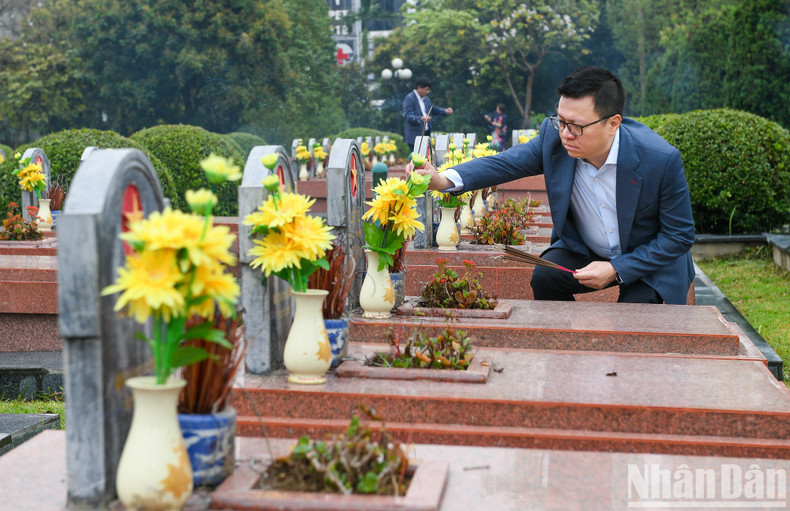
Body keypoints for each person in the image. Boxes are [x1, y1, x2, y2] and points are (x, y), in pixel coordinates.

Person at [409, 66, 695, 305]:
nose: (566, 134)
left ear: (613, 123)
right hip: (586, 250)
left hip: (648, 259)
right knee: (545, 278)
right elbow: (504, 163)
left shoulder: (660, 159)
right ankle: (567, 356)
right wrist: (442, 179)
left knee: (636, 317)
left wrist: (616, 269)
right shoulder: (555, 139)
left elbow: (679, 235)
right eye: (561, 121)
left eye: (576, 126)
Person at [402, 77, 453, 151]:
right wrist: (421, 118)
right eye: (426, 89)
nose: (428, 92)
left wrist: (445, 111)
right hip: (414, 137)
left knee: (426, 158)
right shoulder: (409, 98)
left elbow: (434, 109)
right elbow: (407, 116)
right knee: (416, 159)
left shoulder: (426, 99)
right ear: (419, 87)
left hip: (426, 134)